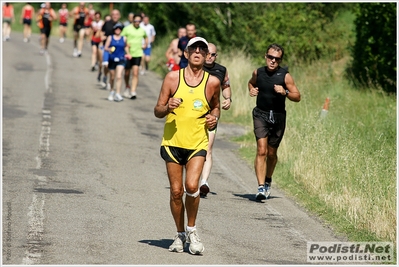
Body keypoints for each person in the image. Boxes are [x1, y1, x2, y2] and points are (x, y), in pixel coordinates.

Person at [154, 37, 220, 255]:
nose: (198, 52)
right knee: (175, 191)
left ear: (207, 55)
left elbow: (216, 108)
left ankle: (192, 230)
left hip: (196, 143)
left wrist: (213, 118)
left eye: (202, 49)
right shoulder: (173, 78)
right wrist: (167, 106)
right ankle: (180, 234)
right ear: (186, 53)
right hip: (173, 142)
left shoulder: (212, 82)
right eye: (194, 48)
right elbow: (157, 110)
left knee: (192, 187)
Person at [248, 43, 301, 201]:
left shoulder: (285, 76)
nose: (273, 61)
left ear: (280, 60)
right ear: (265, 56)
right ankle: (260, 187)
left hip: (278, 117)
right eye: (270, 57)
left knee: (271, 154)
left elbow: (297, 97)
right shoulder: (258, 72)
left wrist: (284, 92)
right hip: (260, 114)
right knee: (261, 150)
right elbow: (251, 83)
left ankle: (268, 179)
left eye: (277, 59)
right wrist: (251, 89)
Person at [199, 43, 232, 197]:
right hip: (194, 114)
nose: (210, 57)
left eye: (213, 55)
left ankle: (204, 182)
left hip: (212, 113)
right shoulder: (195, 67)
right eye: (208, 54)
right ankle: (191, 180)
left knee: (208, 149)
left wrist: (228, 98)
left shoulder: (221, 70)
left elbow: (226, 86)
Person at [121, 14, 147, 99]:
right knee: (127, 72)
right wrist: (125, 44)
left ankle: (133, 91)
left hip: (138, 53)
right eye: (136, 20)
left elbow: (146, 37)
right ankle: (127, 86)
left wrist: (145, 45)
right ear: (133, 20)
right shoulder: (127, 28)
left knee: (135, 73)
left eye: (139, 21)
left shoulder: (142, 30)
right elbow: (122, 38)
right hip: (128, 54)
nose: (137, 22)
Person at [104, 23, 129, 102]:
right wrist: (110, 49)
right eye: (116, 29)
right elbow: (105, 48)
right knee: (112, 76)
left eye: (119, 29)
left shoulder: (124, 38)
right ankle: (111, 91)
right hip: (112, 59)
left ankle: (118, 93)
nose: (118, 30)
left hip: (121, 59)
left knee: (119, 76)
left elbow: (126, 47)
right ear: (114, 29)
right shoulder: (110, 37)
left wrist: (128, 53)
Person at [100, 9, 121, 89]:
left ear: (119, 16)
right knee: (106, 65)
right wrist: (103, 37)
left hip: (117, 50)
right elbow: (101, 33)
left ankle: (110, 81)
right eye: (113, 14)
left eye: (117, 14)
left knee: (113, 67)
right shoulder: (107, 23)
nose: (115, 16)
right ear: (111, 15)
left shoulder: (121, 25)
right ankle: (105, 76)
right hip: (107, 48)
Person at [90, 11, 104, 78]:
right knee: (94, 51)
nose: (97, 18)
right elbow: (90, 31)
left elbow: (103, 31)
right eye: (96, 17)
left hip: (100, 40)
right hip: (94, 39)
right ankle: (92, 64)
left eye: (98, 17)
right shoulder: (93, 23)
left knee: (99, 53)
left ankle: (97, 62)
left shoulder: (102, 23)